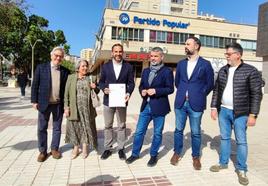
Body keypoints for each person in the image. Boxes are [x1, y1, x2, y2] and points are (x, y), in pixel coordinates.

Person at [209, 43, 262, 185]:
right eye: (226, 53)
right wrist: (214, 107)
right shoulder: (223, 70)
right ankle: (223, 162)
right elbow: (216, 91)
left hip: (241, 112)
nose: (226, 56)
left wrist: (253, 114)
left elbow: (256, 94)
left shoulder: (251, 71)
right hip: (223, 111)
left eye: (229, 54)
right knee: (225, 138)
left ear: (238, 55)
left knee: (241, 141)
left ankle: (242, 169)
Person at [170, 36, 214, 170]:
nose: (186, 46)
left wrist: (200, 94)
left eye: (188, 44)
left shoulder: (205, 64)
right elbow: (177, 82)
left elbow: (210, 84)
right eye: (185, 44)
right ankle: (177, 153)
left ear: (196, 46)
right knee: (178, 130)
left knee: (195, 132)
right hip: (181, 103)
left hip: (196, 104)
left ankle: (196, 157)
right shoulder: (181, 64)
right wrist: (185, 92)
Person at [125, 47, 174, 167]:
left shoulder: (167, 71)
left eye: (156, 56)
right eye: (151, 56)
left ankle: (153, 155)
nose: (153, 58)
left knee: (157, 133)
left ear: (161, 57)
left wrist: (156, 91)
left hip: (159, 107)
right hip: (146, 106)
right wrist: (142, 91)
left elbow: (170, 89)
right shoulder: (146, 71)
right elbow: (141, 86)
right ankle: (135, 154)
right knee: (139, 132)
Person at [31, 47, 70, 162]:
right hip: (44, 104)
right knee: (42, 128)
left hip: (58, 104)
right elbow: (35, 85)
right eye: (56, 55)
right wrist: (34, 101)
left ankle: (54, 149)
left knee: (57, 128)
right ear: (51, 55)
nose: (58, 58)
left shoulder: (65, 71)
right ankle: (42, 151)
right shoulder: (41, 68)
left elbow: (66, 89)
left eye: (60, 56)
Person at [99, 43, 135, 160]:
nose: (118, 54)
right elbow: (101, 82)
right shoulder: (105, 66)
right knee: (108, 126)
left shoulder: (128, 67)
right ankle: (108, 148)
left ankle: (121, 148)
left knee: (121, 125)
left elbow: (131, 83)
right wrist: (104, 88)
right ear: (112, 53)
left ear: (122, 53)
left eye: (120, 51)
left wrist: (128, 93)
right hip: (108, 100)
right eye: (116, 51)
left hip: (121, 101)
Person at [64, 59, 98, 159]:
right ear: (78, 68)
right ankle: (75, 147)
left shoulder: (90, 78)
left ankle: (85, 147)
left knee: (86, 127)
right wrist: (66, 107)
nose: (85, 68)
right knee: (75, 127)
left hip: (87, 109)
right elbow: (66, 94)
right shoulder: (71, 78)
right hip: (75, 108)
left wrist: (95, 87)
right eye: (83, 66)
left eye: (86, 66)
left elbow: (97, 91)